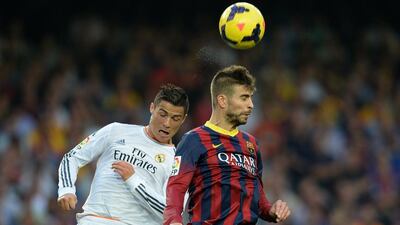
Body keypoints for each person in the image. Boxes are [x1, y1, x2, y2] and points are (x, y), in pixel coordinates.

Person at [163, 65, 291, 225]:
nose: (251, 104)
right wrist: (172, 221)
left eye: (250, 97)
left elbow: (257, 195)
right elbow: (176, 187)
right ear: (222, 100)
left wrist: (271, 211)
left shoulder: (251, 144)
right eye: (244, 98)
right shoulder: (194, 139)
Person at [57, 83, 189, 225]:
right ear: (152, 108)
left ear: (183, 119)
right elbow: (72, 157)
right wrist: (66, 189)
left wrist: (133, 181)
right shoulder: (116, 130)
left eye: (175, 118)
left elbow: (172, 211)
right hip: (93, 220)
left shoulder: (178, 164)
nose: (167, 123)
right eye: (162, 114)